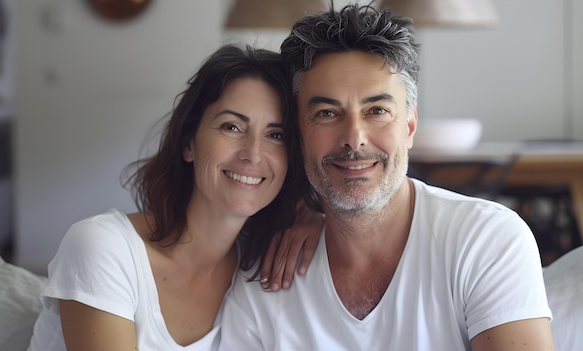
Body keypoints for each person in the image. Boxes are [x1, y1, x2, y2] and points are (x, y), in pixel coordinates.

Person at [219, 3, 555, 350]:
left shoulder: (486, 241)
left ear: (409, 125)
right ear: (298, 134)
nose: (354, 137)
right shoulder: (264, 272)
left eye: (377, 110)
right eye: (327, 112)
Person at [28, 44, 310, 350]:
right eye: (231, 127)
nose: (253, 154)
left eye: (276, 135)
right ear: (189, 143)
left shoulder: (262, 272)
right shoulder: (102, 247)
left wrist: (316, 218)